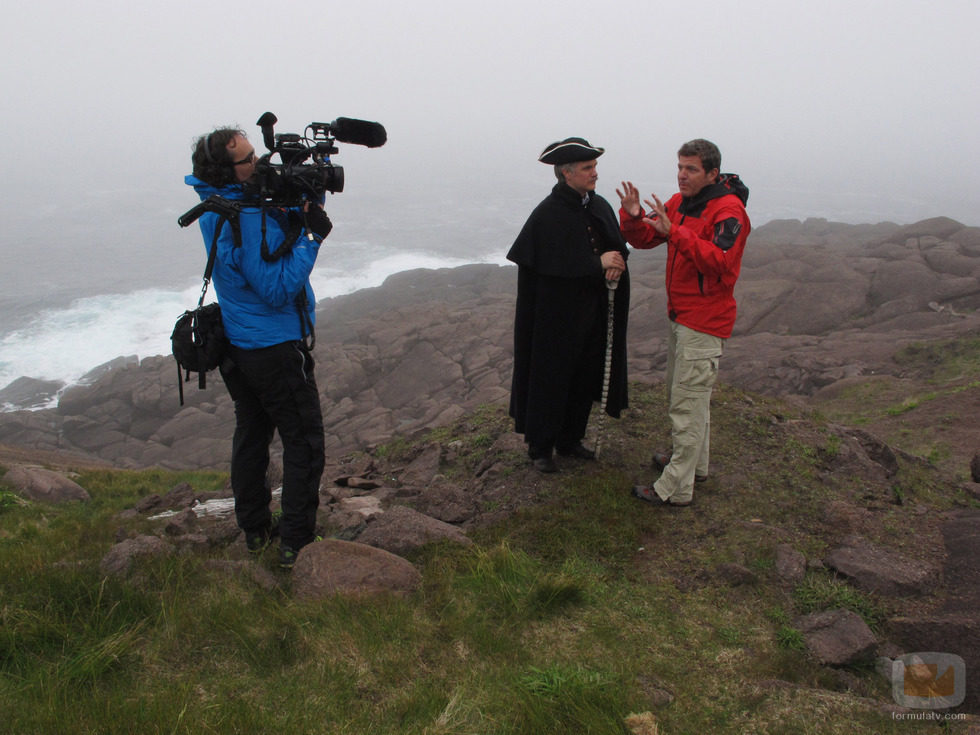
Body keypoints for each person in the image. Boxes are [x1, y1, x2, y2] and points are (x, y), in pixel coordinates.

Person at [186, 127, 332, 567]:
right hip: (273, 347)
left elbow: (266, 245)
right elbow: (276, 288)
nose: (259, 163)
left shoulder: (220, 206)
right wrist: (312, 238)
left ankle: (255, 530)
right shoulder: (247, 216)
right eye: (248, 159)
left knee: (252, 435)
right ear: (223, 170)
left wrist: (306, 198)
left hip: (240, 344)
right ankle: (295, 543)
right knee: (304, 443)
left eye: (257, 154)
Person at [617, 138, 750, 507]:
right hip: (682, 316)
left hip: (704, 322)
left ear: (712, 173)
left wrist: (674, 232)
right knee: (692, 400)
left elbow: (720, 261)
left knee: (686, 405)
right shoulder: (681, 203)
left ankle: (675, 488)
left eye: (691, 169)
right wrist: (632, 216)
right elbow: (645, 238)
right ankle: (695, 466)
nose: (682, 175)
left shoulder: (729, 211)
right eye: (680, 167)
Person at [507, 137, 631, 473]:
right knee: (551, 379)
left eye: (595, 167)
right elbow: (552, 266)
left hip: (592, 313)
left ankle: (570, 439)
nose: (595, 173)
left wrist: (615, 264)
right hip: (555, 319)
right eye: (588, 168)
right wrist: (596, 263)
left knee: (584, 376)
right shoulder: (547, 214)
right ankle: (540, 447)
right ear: (567, 173)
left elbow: (615, 247)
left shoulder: (599, 205)